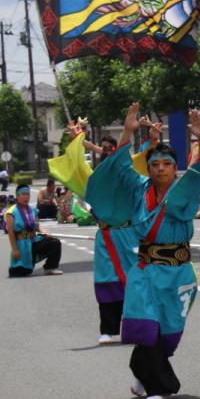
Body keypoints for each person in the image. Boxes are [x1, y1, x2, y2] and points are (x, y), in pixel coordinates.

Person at [85, 103, 200, 399]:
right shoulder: (138, 187)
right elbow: (118, 166)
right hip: (146, 269)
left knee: (169, 332)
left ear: (174, 167)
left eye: (166, 164)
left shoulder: (185, 189)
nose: (160, 169)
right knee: (146, 326)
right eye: (154, 164)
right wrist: (128, 131)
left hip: (179, 270)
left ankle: (143, 375)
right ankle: (159, 385)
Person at [50, 127, 141, 345]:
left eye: (112, 149)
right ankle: (108, 330)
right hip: (107, 237)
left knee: (136, 282)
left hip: (129, 235)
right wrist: (76, 140)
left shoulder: (130, 175)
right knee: (107, 281)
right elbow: (78, 166)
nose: (108, 152)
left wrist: (134, 133)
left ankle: (136, 327)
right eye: (105, 149)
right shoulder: (93, 180)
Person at [5, 185, 63, 277]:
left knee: (55, 243)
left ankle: (50, 267)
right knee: (22, 272)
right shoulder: (11, 212)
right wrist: (15, 249)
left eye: (27, 194)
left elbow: (37, 226)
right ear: (17, 196)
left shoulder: (33, 210)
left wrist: (44, 232)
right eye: (23, 195)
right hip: (21, 244)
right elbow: (11, 233)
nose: (25, 197)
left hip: (33, 241)